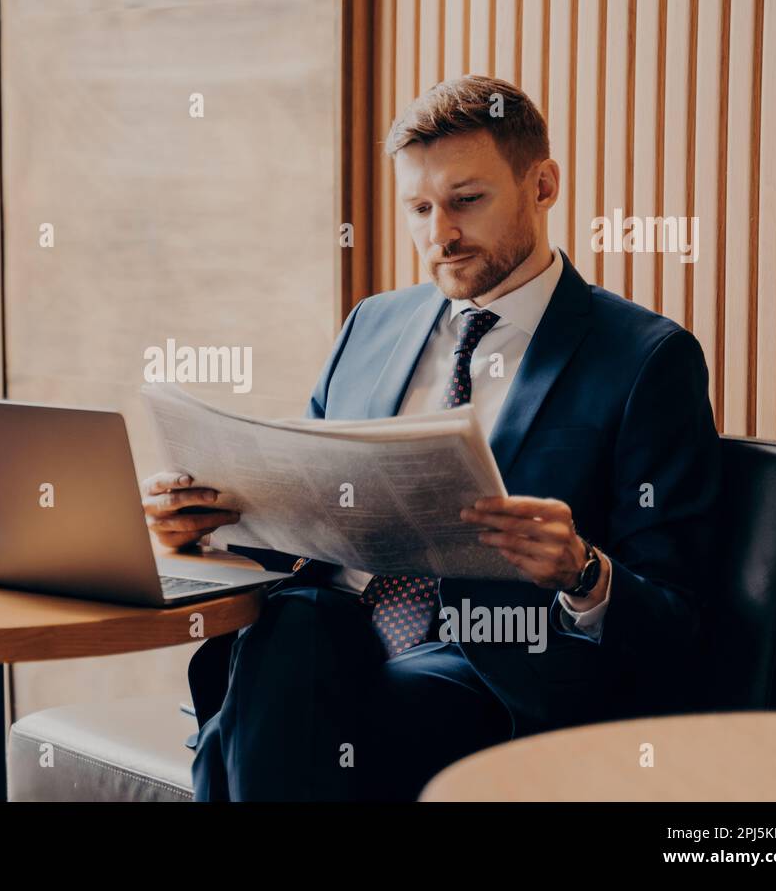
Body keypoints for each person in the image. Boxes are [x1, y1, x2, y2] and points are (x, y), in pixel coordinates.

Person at [140, 75, 721, 801]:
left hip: (497, 672)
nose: (439, 234)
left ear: (543, 184)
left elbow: (681, 615)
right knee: (300, 625)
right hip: (324, 643)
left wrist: (582, 572)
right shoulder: (371, 327)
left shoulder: (644, 358)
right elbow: (308, 517)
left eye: (466, 201)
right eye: (418, 208)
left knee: (262, 706)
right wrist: (208, 522)